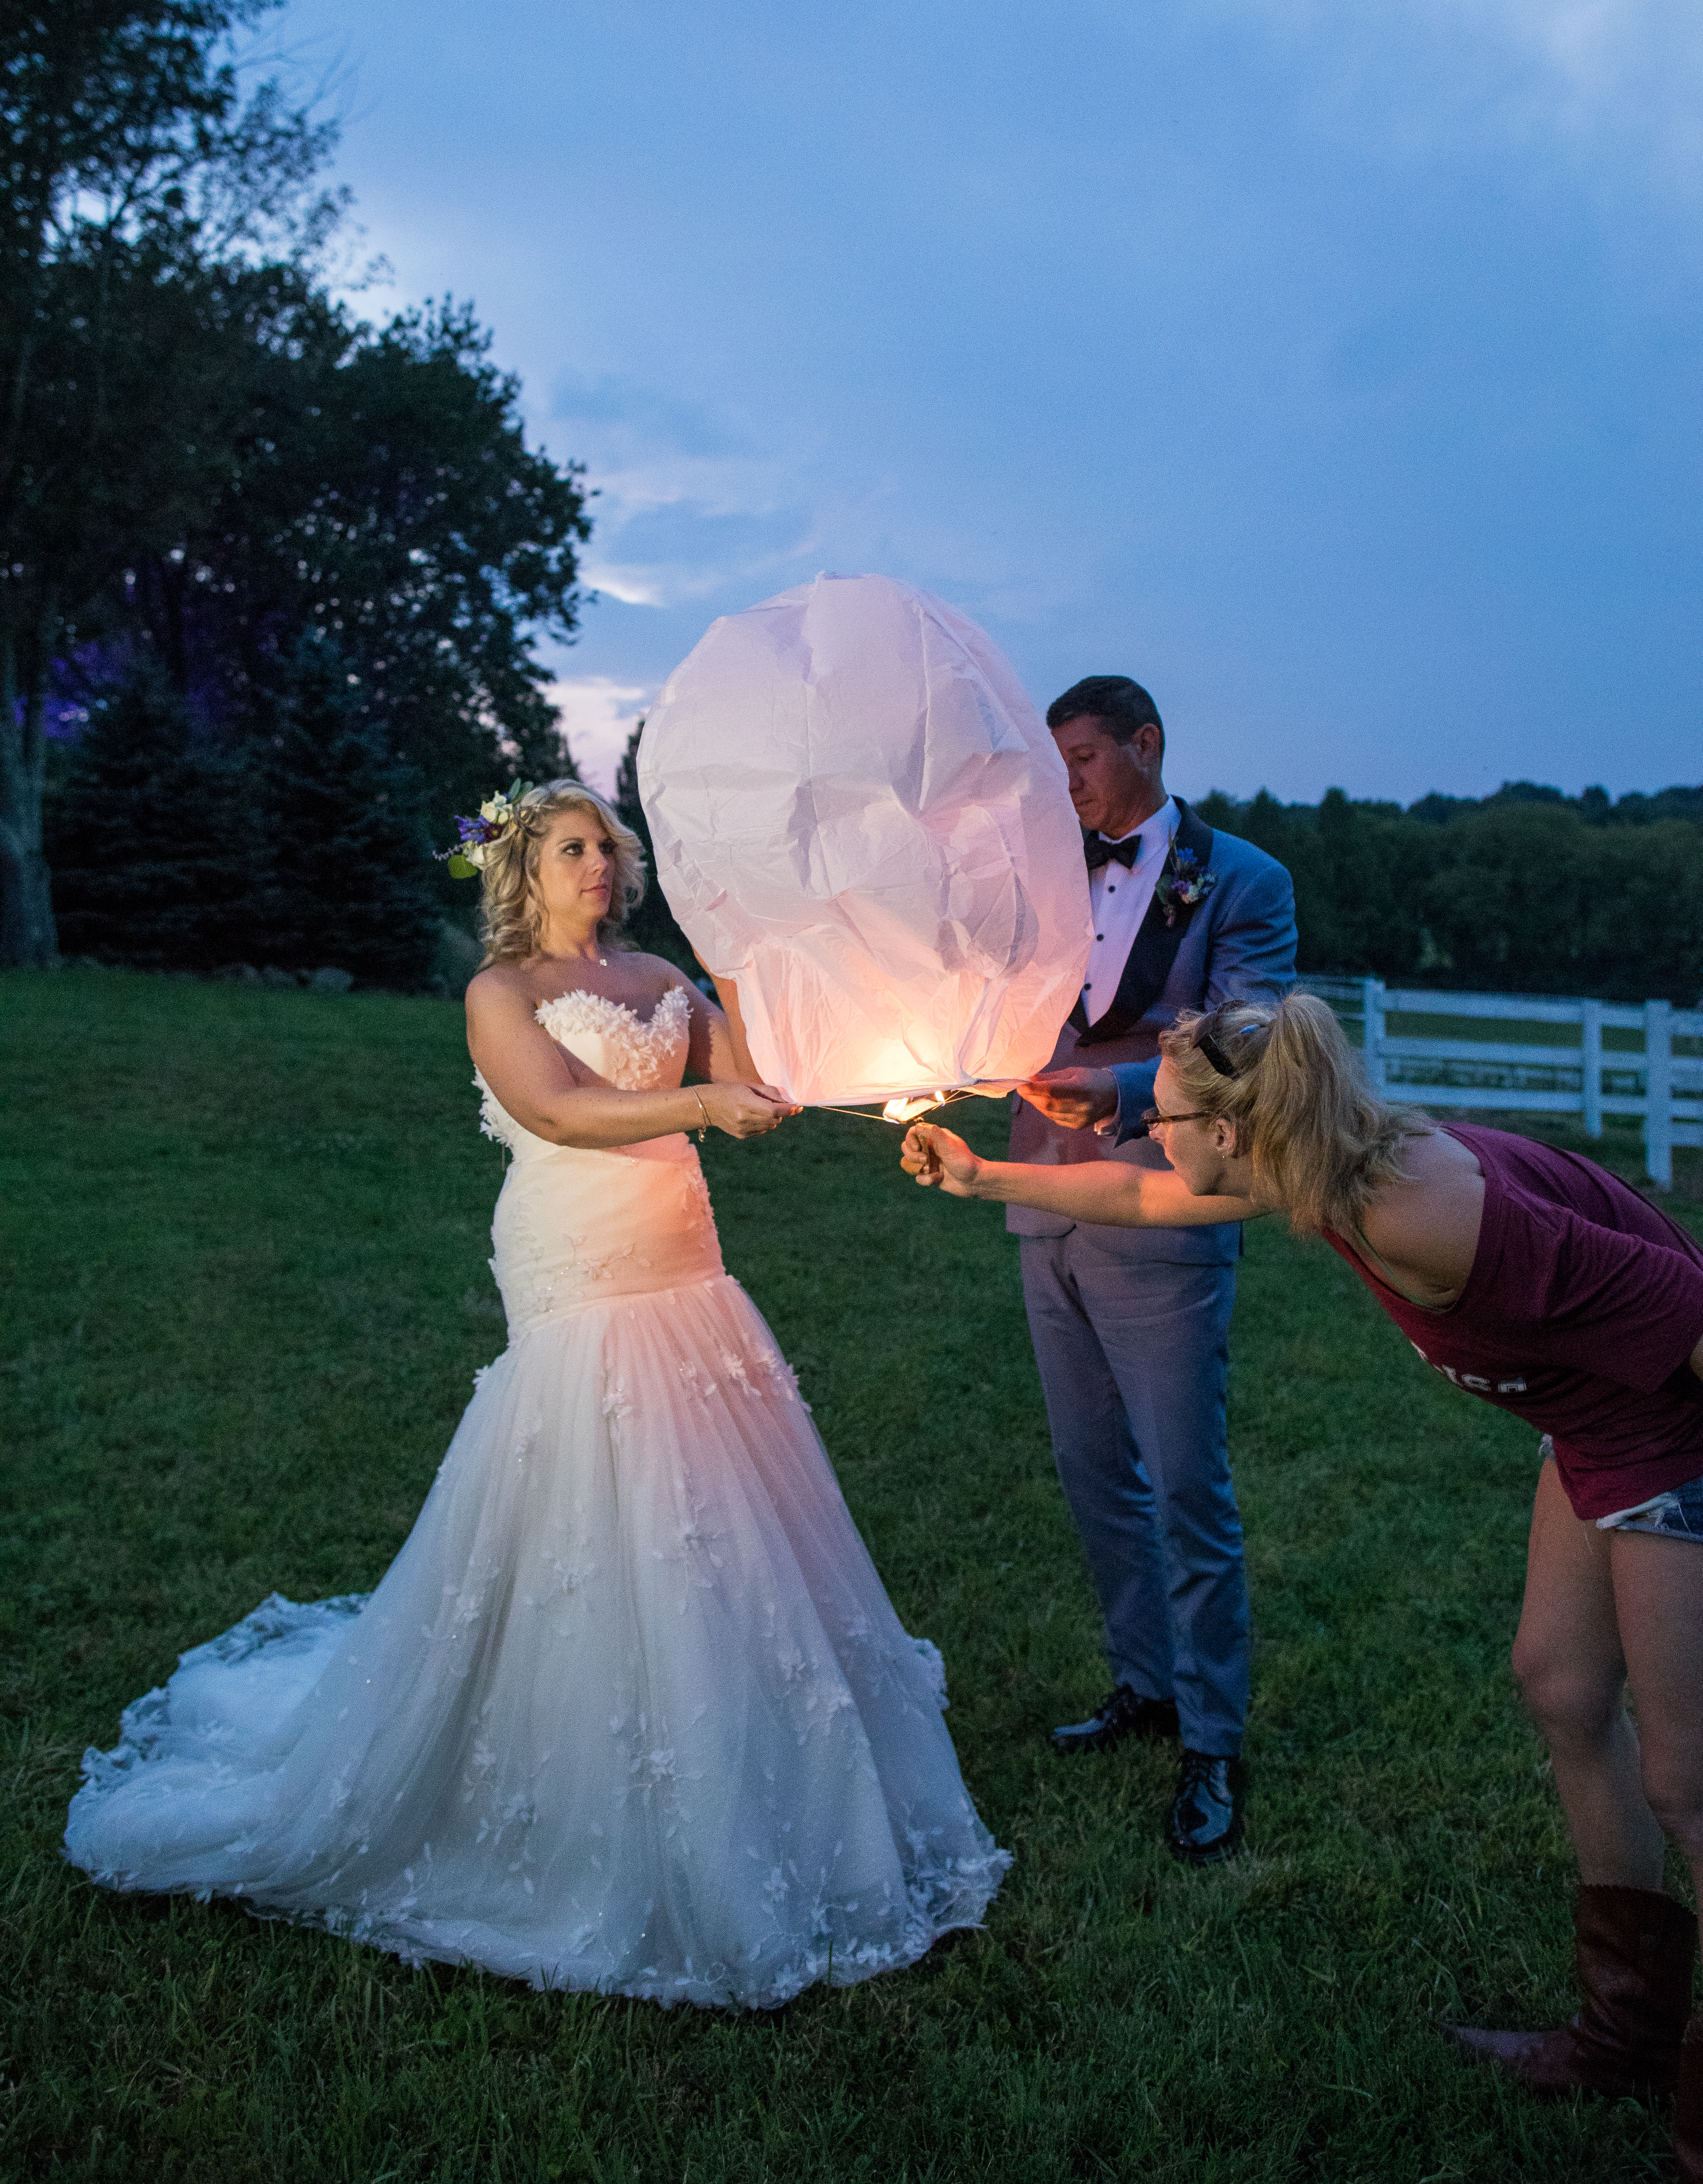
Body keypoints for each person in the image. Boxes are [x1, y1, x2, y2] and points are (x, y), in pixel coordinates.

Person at [65, 779, 1008, 2006]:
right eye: (573, 850)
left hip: (684, 1256)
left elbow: (758, 1074)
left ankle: (737, 1724)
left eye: (607, 850)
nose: (599, 868)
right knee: (598, 1473)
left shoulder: (664, 975)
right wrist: (699, 1105)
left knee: (714, 1492)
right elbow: (557, 1110)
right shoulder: (499, 993)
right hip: (575, 1247)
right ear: (524, 866)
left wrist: (825, 1037)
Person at [905, 991, 1703, 2174]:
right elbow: (1139, 1195)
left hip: (1672, 1430)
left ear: (1233, 1133)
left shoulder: (1426, 1215)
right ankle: (1626, 2035)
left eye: (1159, 1117)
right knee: (1562, 1687)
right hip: (1594, 1421)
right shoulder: (1316, 1163)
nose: (1140, 1134)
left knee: (1690, 1778)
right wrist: (987, 1182)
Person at [1008, 676, 1294, 1863]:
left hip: (1167, 1204)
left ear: (1147, 744)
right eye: (1054, 763)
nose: (1065, 783)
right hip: (1038, 1201)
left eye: (1080, 757)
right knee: (1090, 1471)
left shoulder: (1244, 880)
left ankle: (1214, 1740)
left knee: (1185, 1481)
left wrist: (1124, 1093)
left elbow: (1248, 1040)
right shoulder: (1035, 869)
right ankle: (1147, 1684)